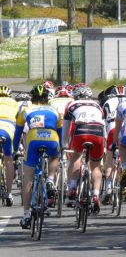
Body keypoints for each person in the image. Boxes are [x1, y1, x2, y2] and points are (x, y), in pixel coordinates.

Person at [15, 85, 61, 228]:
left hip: (34, 138)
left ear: (32, 98)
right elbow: (60, 133)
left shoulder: (25, 110)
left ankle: (26, 215)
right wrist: (61, 148)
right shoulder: (55, 111)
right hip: (52, 137)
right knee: (55, 156)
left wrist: (14, 149)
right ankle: (50, 179)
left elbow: (17, 134)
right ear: (47, 99)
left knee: (28, 178)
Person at [63, 85, 106, 213]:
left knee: (76, 156)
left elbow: (65, 130)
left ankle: (73, 187)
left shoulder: (71, 104)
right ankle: (95, 195)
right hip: (97, 132)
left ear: (75, 96)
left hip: (81, 131)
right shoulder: (98, 105)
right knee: (95, 166)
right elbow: (103, 125)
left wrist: (64, 145)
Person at [102, 85, 126, 204]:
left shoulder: (107, 102)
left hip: (111, 130)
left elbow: (104, 121)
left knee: (109, 159)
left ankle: (108, 188)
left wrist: (105, 139)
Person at [0, 86, 19, 206]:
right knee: (8, 159)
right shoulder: (14, 103)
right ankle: (9, 193)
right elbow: (20, 123)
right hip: (8, 127)